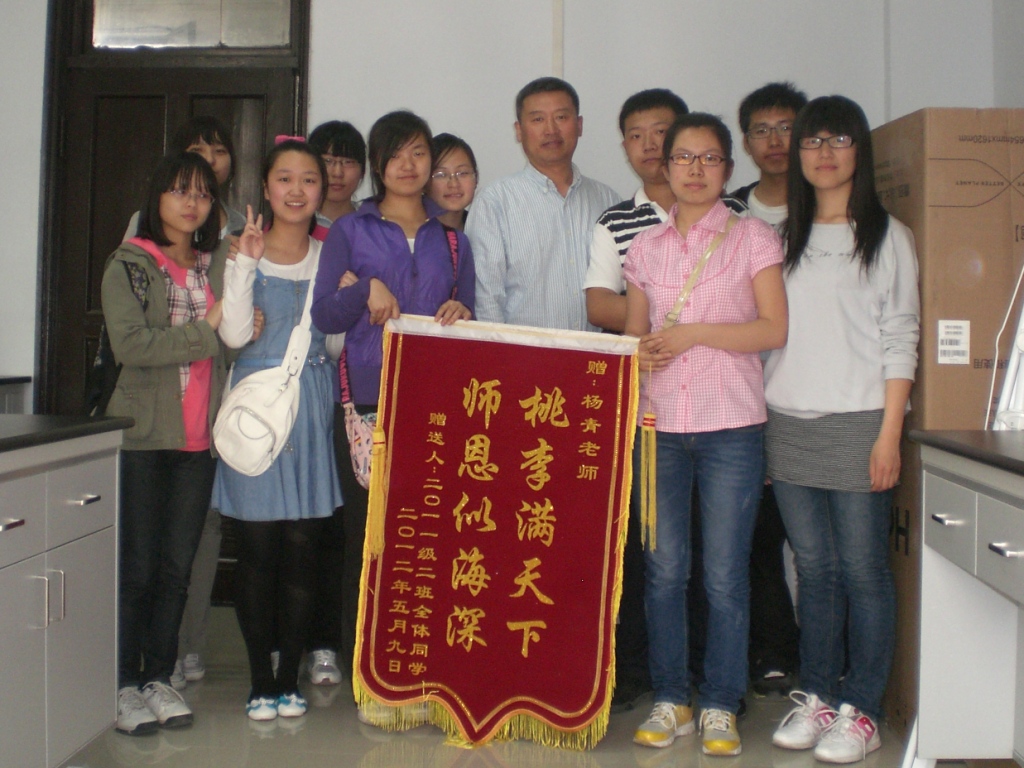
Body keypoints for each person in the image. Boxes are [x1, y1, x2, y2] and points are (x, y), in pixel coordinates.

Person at [624, 113, 787, 756]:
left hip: (731, 430)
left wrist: (693, 335)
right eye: (683, 158)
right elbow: (634, 337)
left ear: (728, 168)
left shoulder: (753, 239)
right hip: (659, 427)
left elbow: (773, 328)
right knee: (664, 572)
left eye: (709, 158)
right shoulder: (645, 248)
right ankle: (672, 698)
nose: (695, 170)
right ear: (665, 167)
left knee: (724, 576)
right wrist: (641, 352)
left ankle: (720, 701)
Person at [765, 95, 919, 764]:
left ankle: (863, 710)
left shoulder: (888, 236)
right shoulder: (780, 238)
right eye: (812, 140)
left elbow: (901, 337)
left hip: (860, 424)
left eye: (839, 139)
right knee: (815, 568)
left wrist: (889, 434)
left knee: (862, 570)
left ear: (861, 149)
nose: (824, 153)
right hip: (788, 423)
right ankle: (820, 695)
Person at [310, 111, 475, 721]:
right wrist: (366, 290)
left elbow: (471, 316)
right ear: (378, 164)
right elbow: (326, 314)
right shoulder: (350, 229)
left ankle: (426, 674)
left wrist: (463, 312)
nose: (409, 166)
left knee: (431, 539)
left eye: (419, 153)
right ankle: (372, 677)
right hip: (369, 401)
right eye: (396, 154)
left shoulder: (453, 240)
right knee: (370, 541)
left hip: (437, 406)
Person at [213, 139, 343, 722]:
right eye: (284, 179)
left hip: (310, 406)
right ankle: (259, 679)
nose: (296, 190)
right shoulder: (242, 251)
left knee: (303, 551)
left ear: (321, 190)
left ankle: (289, 677)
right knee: (258, 551)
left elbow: (334, 346)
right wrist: (245, 264)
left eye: (308, 180)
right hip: (256, 410)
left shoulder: (332, 258)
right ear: (265, 188)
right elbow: (234, 335)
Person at [103, 152, 228, 736]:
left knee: (177, 569)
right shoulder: (129, 263)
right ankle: (122, 685)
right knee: (138, 568)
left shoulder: (211, 266)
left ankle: (158, 676)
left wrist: (238, 328)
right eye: (180, 190)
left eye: (202, 193)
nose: (191, 202)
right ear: (157, 198)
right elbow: (132, 345)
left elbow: (227, 345)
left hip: (198, 440)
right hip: (144, 437)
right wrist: (207, 331)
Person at [581, 88, 689, 709]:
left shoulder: (731, 213)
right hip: (639, 403)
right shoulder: (616, 222)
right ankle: (638, 670)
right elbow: (599, 305)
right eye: (637, 134)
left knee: (711, 549)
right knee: (640, 541)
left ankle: (704, 674)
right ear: (623, 145)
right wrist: (678, 321)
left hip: (719, 404)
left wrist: (654, 317)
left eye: (662, 131)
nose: (651, 145)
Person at [724, 82, 809, 698]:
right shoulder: (728, 214)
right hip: (744, 396)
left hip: (813, 394)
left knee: (816, 544)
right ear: (746, 142)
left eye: (787, 127)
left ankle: (823, 656)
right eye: (762, 130)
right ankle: (773, 651)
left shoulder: (827, 205)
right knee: (755, 535)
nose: (776, 140)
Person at [466, 76, 619, 331]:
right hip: (523, 354)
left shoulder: (608, 201)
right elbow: (486, 300)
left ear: (579, 125)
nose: (551, 130)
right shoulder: (495, 202)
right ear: (519, 130)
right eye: (537, 119)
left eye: (561, 117)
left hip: (595, 354)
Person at [125, 115, 246, 241]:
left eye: (220, 151)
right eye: (197, 150)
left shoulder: (241, 224)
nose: (210, 160)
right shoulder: (146, 220)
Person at [308, 120, 366, 226]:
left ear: (363, 170)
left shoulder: (372, 223)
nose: (337, 173)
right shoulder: (297, 220)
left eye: (348, 162)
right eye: (328, 161)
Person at [427, 133, 478, 230]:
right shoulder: (412, 232)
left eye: (463, 173)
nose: (454, 184)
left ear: (476, 178)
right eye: (441, 175)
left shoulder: (485, 227)